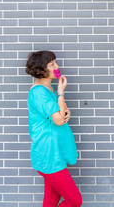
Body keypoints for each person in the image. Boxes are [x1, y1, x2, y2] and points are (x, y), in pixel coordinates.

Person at [25, 50, 82, 207]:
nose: (57, 66)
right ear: (41, 69)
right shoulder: (39, 93)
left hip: (52, 154)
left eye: (56, 62)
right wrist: (61, 91)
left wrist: (65, 110)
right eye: (52, 64)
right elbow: (58, 120)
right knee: (75, 200)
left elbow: (60, 113)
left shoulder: (48, 89)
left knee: (50, 202)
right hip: (48, 156)